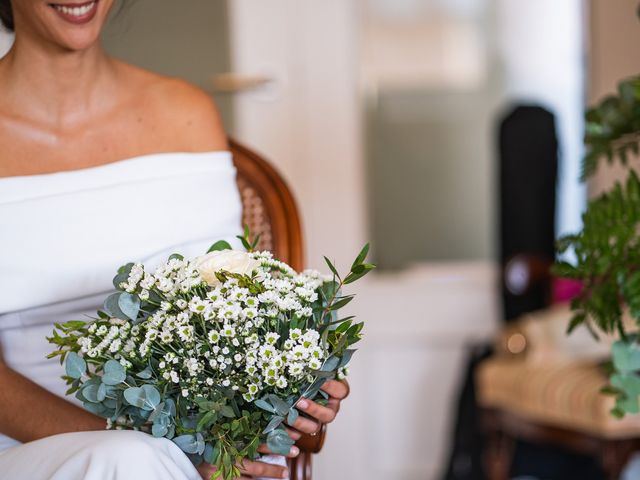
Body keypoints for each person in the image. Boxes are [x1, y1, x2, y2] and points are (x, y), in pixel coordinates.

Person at [0, 1, 350, 479]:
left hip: (196, 451)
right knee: (128, 460)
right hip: (28, 443)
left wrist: (295, 384)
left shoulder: (184, 114)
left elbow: (230, 295)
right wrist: (167, 456)